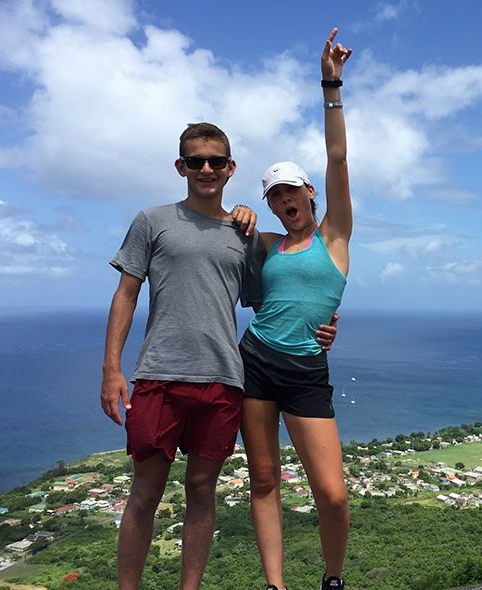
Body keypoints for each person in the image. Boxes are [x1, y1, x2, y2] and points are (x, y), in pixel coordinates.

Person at [101, 122, 336, 590]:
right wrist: (112, 369)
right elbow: (126, 293)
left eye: (214, 161)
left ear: (231, 168)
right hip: (160, 376)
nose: (205, 169)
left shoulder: (244, 233)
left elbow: (274, 298)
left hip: (226, 380)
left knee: (201, 490)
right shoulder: (153, 220)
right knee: (144, 493)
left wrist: (323, 325)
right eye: (195, 161)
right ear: (180, 167)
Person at [233, 27, 353, 590]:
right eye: (274, 197)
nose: (286, 203)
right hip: (254, 360)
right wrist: (236, 211)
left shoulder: (336, 237)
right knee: (263, 480)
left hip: (306, 370)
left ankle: (332, 579)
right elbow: (214, 231)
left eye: (292, 193)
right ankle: (274, 585)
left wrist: (330, 83)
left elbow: (338, 157)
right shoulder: (267, 244)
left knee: (331, 491)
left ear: (310, 193)